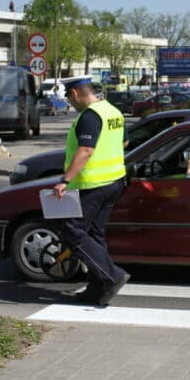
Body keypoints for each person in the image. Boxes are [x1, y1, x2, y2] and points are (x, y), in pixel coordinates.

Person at [53, 74, 130, 306]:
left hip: (93, 185)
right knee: (95, 236)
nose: (70, 101)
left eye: (69, 97)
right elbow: (124, 142)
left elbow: (85, 150)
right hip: (114, 181)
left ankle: (112, 276)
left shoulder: (90, 116)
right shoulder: (112, 111)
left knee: (72, 231)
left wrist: (65, 180)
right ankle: (96, 290)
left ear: (75, 93)